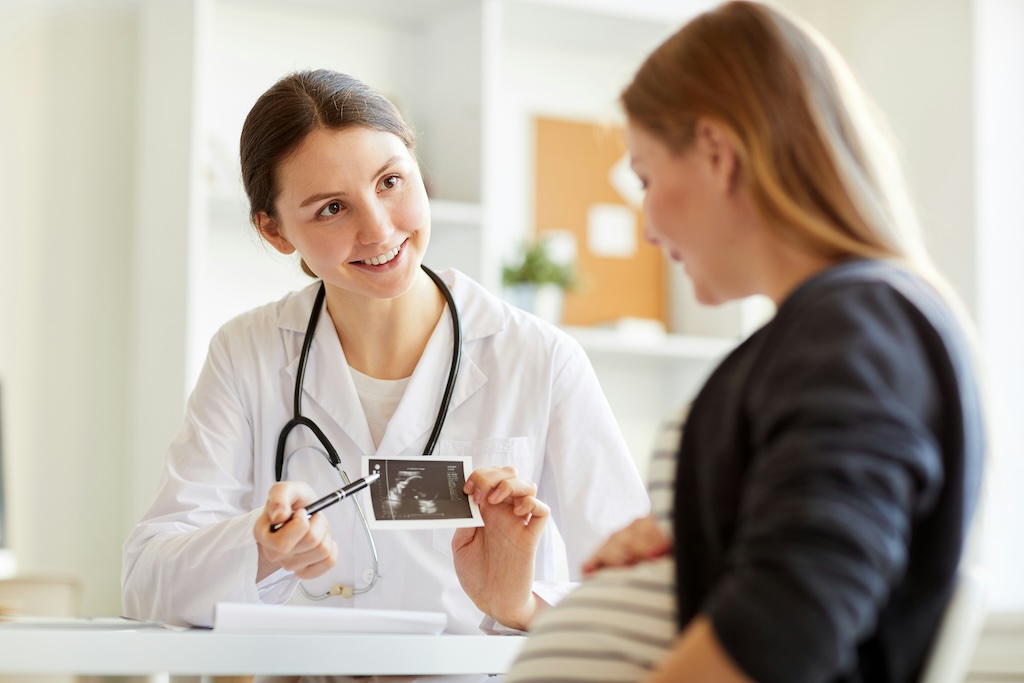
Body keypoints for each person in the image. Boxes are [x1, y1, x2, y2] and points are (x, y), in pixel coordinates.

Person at [500, 2, 986, 682]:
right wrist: (702, 538)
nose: (645, 227)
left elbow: (791, 617)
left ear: (718, 154)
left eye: (645, 178)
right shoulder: (836, 329)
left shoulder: (856, 323)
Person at [121, 69, 649, 645]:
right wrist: (262, 546)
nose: (378, 229)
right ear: (274, 231)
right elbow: (148, 581)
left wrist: (522, 604)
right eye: (330, 208)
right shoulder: (247, 353)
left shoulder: (538, 358)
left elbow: (642, 595)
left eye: (391, 182)